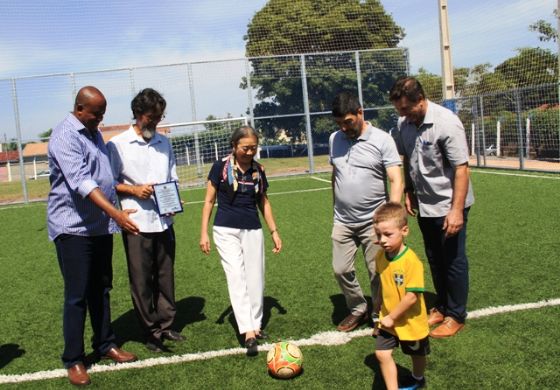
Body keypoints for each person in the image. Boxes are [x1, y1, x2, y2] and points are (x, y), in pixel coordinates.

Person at [47, 86, 139, 386]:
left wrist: (115, 210)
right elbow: (82, 184)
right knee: (77, 295)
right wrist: (117, 214)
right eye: (96, 112)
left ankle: (105, 343)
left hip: (99, 227)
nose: (101, 118)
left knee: (101, 288)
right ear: (80, 109)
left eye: (102, 112)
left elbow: (104, 176)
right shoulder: (65, 136)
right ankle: (73, 360)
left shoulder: (94, 132)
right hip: (73, 228)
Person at [389, 76, 474, 338]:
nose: (402, 114)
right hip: (425, 205)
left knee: (453, 260)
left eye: (405, 108)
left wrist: (456, 210)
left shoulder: (447, 123)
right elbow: (407, 159)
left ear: (421, 100)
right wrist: (409, 191)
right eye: (398, 110)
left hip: (449, 205)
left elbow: (461, 169)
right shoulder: (405, 124)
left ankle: (456, 315)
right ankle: (442, 306)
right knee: (435, 259)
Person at [107, 88, 184, 353]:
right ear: (138, 114)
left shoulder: (164, 143)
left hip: (164, 221)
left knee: (165, 275)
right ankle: (151, 332)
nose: (155, 122)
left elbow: (172, 178)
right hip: (137, 222)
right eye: (151, 117)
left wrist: (175, 201)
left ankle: (167, 324)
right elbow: (109, 185)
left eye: (159, 117)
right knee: (141, 281)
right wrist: (134, 190)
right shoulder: (117, 145)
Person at [199, 126, 282, 356]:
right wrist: (203, 232)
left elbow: (263, 202)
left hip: (253, 229)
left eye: (253, 148)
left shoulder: (258, 170)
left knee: (256, 278)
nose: (249, 152)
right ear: (234, 146)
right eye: (245, 148)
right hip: (225, 229)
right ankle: (247, 331)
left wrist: (274, 231)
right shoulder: (220, 167)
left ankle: (255, 324)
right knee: (236, 276)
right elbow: (208, 201)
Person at [329, 91, 403, 332]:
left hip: (373, 221)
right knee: (340, 269)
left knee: (376, 272)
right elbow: (335, 175)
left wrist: (390, 218)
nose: (344, 128)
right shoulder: (334, 139)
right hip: (343, 220)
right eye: (339, 123)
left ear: (361, 112)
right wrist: (335, 205)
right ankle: (358, 307)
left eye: (348, 122)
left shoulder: (382, 140)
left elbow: (395, 179)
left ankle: (378, 313)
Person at [373, 202, 430, 390]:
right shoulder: (380, 256)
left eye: (388, 235)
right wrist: (378, 310)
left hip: (409, 321)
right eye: (378, 235)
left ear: (404, 231)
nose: (382, 240)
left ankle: (418, 377)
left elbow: (412, 297)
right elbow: (383, 283)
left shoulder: (411, 261)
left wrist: (391, 317)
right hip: (387, 320)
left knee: (416, 353)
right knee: (382, 354)